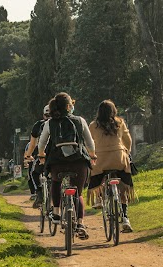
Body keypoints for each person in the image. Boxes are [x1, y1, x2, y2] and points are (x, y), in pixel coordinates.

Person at [37, 92, 97, 239]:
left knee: (56, 182)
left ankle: (56, 212)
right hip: (79, 162)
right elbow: (90, 143)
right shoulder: (80, 120)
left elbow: (42, 143)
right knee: (78, 193)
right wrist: (92, 155)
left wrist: (41, 155)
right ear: (70, 106)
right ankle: (81, 223)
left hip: (58, 162)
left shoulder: (49, 123)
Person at [87, 100, 136, 232]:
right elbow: (128, 140)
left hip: (101, 159)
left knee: (96, 174)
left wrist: (90, 154)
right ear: (114, 111)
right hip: (118, 158)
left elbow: (89, 142)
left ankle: (98, 198)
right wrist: (126, 151)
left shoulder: (93, 125)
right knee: (122, 188)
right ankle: (125, 218)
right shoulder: (119, 122)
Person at [24, 105, 51, 208]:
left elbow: (32, 144)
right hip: (63, 156)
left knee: (34, 173)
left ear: (44, 115)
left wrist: (28, 155)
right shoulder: (64, 122)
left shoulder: (39, 125)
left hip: (43, 156)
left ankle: (39, 193)